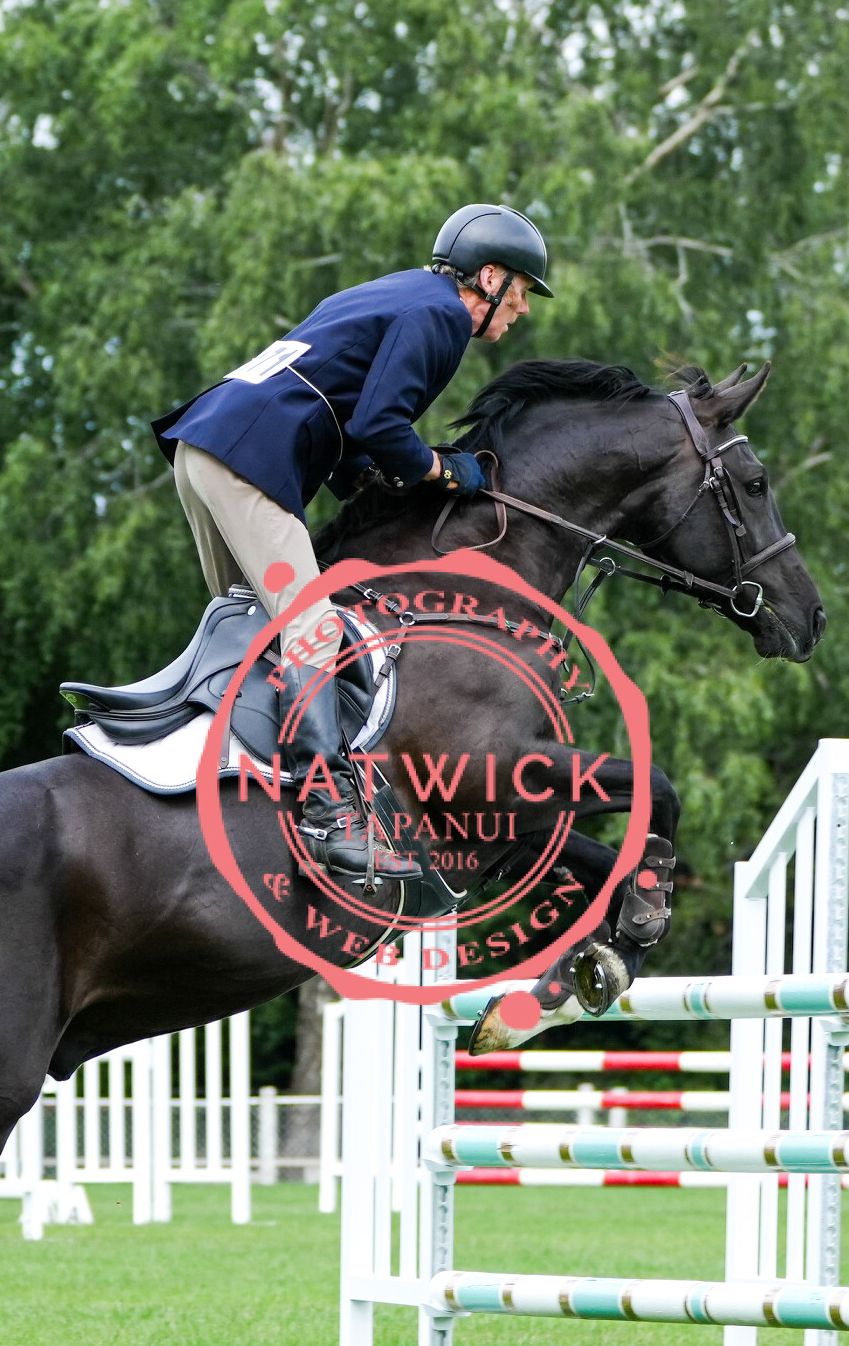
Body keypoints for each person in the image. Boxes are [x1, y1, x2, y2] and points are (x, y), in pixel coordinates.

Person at [150, 203, 553, 877]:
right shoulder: (442, 317)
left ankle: (241, 795)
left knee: (258, 628)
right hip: (248, 459)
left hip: (208, 448)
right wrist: (442, 469)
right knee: (312, 628)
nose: (523, 309)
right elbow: (380, 425)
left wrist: (369, 474)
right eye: (521, 290)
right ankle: (328, 818)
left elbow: (338, 408)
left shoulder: (397, 292)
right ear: (489, 278)